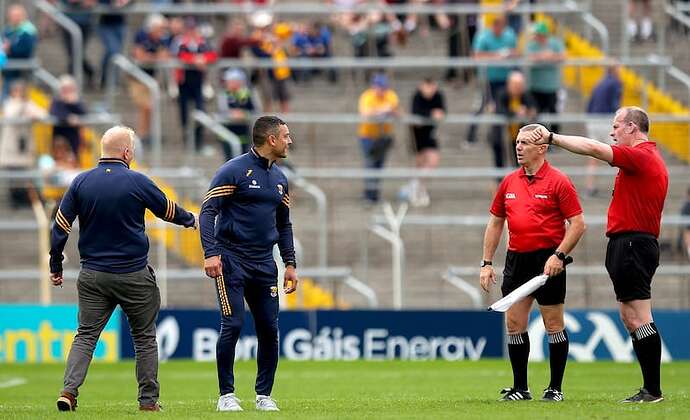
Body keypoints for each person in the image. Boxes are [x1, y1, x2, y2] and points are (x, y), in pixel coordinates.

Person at [50, 126, 197, 412]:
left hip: (93, 275)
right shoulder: (137, 181)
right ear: (127, 152)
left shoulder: (81, 182)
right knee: (144, 337)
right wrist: (190, 219)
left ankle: (68, 391)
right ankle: (148, 402)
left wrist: (56, 263)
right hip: (133, 275)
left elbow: (60, 227)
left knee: (86, 335)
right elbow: (167, 210)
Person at [527, 107, 669, 403]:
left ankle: (653, 391)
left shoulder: (641, 156)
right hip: (629, 243)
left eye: (616, 126)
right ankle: (650, 388)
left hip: (633, 244)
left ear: (632, 127)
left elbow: (593, 148)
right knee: (631, 317)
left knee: (639, 316)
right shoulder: (644, 160)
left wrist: (551, 136)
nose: (612, 132)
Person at [199, 116, 298, 412]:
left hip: (265, 263)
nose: (289, 141)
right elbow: (207, 212)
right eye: (285, 136)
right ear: (271, 140)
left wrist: (290, 263)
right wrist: (210, 252)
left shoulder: (280, 178)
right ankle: (226, 396)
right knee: (233, 324)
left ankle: (264, 395)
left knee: (269, 328)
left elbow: (284, 225)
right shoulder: (233, 171)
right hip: (231, 260)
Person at [480, 124, 585, 402]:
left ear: (542, 148)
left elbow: (577, 224)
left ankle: (555, 388)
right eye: (516, 142)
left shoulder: (559, 181)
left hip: (548, 260)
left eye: (525, 143)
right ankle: (520, 388)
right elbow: (495, 222)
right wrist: (487, 263)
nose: (518, 147)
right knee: (514, 323)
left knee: (553, 323)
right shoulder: (509, 182)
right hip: (517, 260)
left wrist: (559, 256)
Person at [466, 14, 517, 146]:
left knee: (501, 107)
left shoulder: (509, 35)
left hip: (504, 79)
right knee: (481, 106)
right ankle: (470, 135)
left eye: (502, 27)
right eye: (497, 26)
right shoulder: (483, 36)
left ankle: (495, 136)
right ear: (493, 25)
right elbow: (476, 56)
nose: (499, 30)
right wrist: (497, 55)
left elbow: (516, 52)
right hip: (487, 79)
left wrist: (509, 54)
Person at [0, 80, 47, 208]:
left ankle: (25, 200)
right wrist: (22, 106)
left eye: (22, 90)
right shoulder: (9, 103)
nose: (20, 93)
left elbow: (42, 114)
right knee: (13, 176)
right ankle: (14, 201)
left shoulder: (28, 103)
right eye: (17, 91)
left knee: (26, 176)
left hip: (24, 146)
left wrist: (31, 112)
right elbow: (11, 115)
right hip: (11, 146)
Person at [357, 73, 400, 205]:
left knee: (379, 166)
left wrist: (384, 111)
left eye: (383, 87)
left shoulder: (391, 95)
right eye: (378, 87)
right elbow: (365, 113)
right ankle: (369, 195)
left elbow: (397, 111)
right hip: (368, 136)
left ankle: (375, 194)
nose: (380, 90)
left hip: (384, 136)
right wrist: (382, 110)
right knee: (370, 165)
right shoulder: (367, 96)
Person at [404, 77, 446, 207]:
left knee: (433, 161)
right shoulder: (417, 96)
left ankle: (417, 186)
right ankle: (418, 189)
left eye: (432, 87)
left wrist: (438, 114)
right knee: (420, 163)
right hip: (417, 133)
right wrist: (431, 114)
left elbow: (443, 111)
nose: (430, 91)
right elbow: (416, 113)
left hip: (430, 133)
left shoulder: (438, 95)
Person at [130, 14, 171, 144]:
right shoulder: (142, 35)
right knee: (146, 107)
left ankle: (146, 134)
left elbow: (164, 56)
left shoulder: (162, 39)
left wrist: (151, 57)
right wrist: (155, 57)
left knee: (151, 108)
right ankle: (141, 135)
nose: (162, 32)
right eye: (160, 29)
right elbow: (140, 56)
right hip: (137, 78)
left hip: (150, 78)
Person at [584, 65, 622, 196]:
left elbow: (589, 104)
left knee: (593, 155)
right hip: (606, 121)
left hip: (593, 120)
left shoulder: (599, 82)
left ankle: (590, 187)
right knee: (618, 154)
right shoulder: (616, 83)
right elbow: (615, 104)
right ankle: (621, 188)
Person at [490, 71, 536, 169]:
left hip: (519, 135)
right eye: (515, 85)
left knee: (520, 161)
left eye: (520, 85)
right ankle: (500, 181)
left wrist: (528, 111)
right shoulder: (502, 93)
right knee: (500, 159)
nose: (517, 88)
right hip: (502, 134)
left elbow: (533, 109)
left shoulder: (525, 95)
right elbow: (500, 109)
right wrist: (516, 112)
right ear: (509, 85)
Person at [525, 21, 565, 135]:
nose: (537, 37)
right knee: (536, 113)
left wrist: (551, 56)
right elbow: (528, 57)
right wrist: (542, 56)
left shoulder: (555, 43)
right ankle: (538, 137)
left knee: (553, 112)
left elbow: (562, 57)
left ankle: (555, 137)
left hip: (551, 86)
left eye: (539, 35)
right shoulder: (531, 45)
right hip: (535, 86)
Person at [217, 68, 256, 158]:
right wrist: (232, 114)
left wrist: (244, 114)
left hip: (243, 134)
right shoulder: (224, 94)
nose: (227, 83)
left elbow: (255, 111)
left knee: (243, 163)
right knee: (229, 162)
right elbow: (222, 110)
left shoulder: (248, 94)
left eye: (230, 81)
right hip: (227, 135)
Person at [1, 4, 38, 100]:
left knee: (21, 98)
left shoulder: (28, 31)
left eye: (17, 15)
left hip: (22, 70)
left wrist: (10, 48)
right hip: (8, 70)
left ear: (23, 16)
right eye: (13, 15)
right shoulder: (7, 30)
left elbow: (27, 50)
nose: (15, 18)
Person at [50, 75, 88, 156]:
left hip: (74, 137)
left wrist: (74, 103)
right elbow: (55, 113)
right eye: (64, 89)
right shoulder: (57, 101)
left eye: (69, 89)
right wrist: (69, 117)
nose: (67, 91)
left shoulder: (77, 101)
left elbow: (84, 113)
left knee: (74, 159)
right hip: (60, 139)